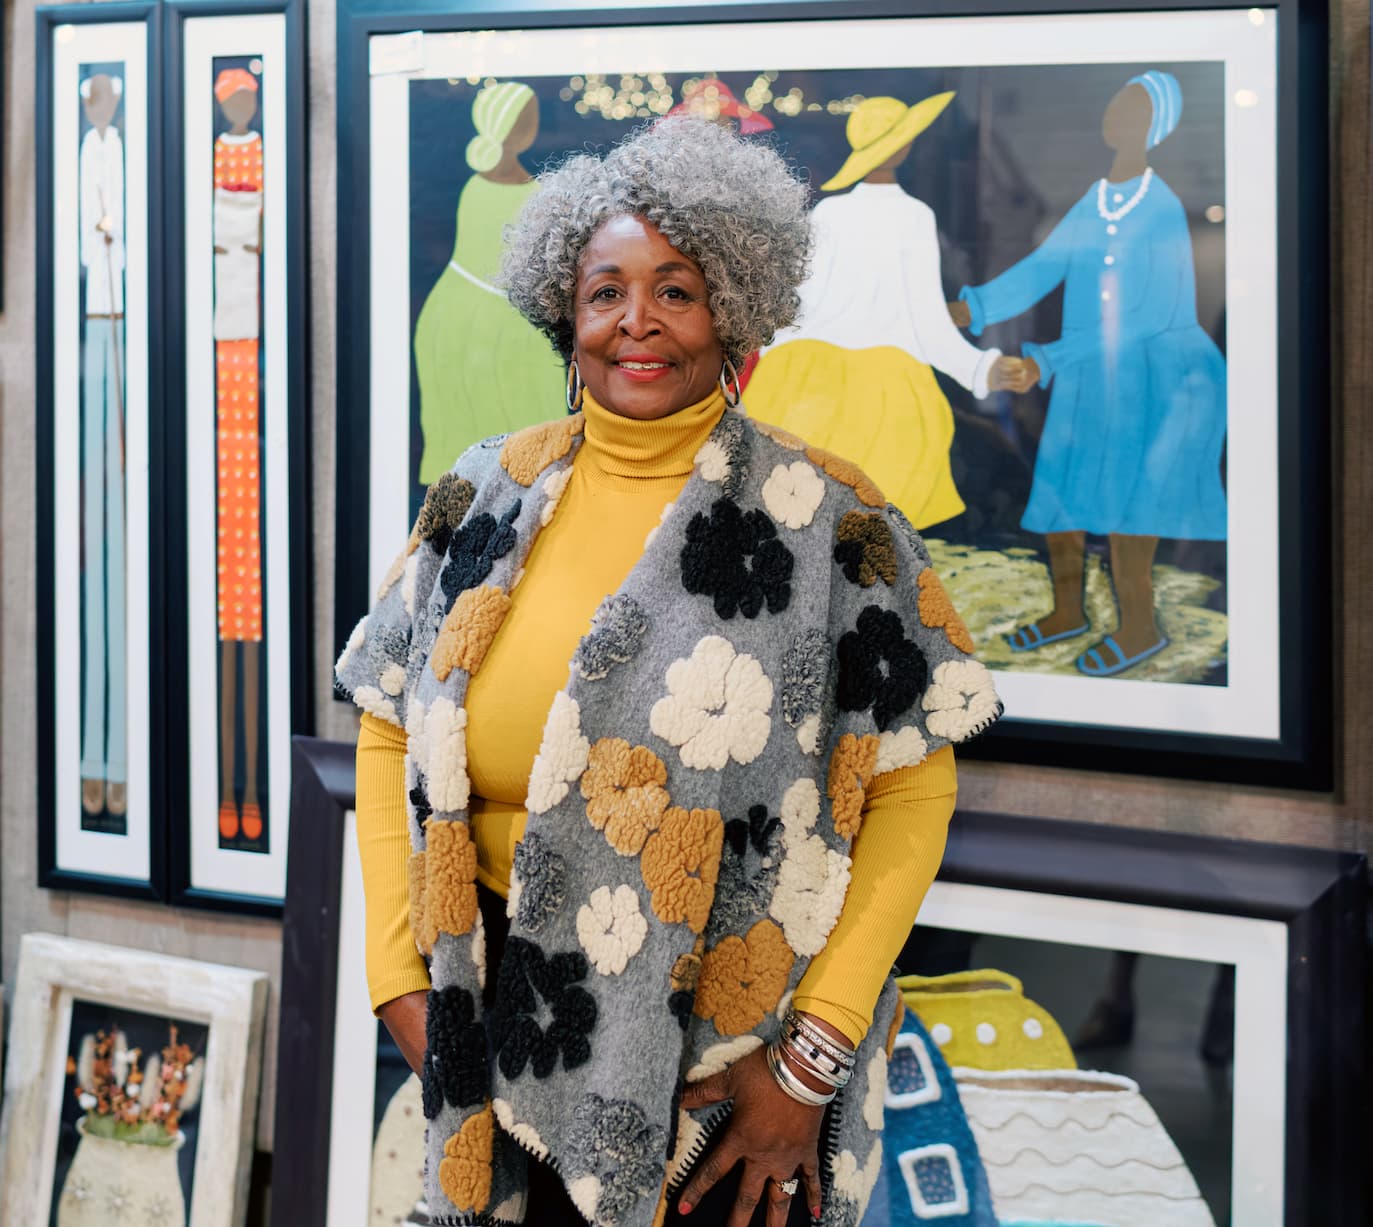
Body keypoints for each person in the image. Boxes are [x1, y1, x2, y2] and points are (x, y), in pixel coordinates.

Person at [338, 117, 1001, 1226]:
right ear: (567, 309)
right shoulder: (480, 496)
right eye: (605, 292)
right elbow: (387, 722)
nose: (635, 323)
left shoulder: (831, 520)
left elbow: (911, 789)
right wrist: (398, 980)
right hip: (491, 1017)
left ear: (731, 307)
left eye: (676, 290)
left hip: (728, 1068)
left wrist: (809, 1064)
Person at [950, 71, 1227, 677]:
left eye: (1132, 107)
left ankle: (1139, 626)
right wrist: (976, 307)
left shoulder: (1159, 208)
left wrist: (1047, 359)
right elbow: (1043, 265)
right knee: (1063, 493)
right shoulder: (1097, 198)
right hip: (1087, 382)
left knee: (1133, 506)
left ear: (1154, 125)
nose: (1115, 114)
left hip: (1144, 383)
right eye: (1116, 103)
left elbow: (1147, 316)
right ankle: (1068, 611)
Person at [745, 93, 1020, 530]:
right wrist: (980, 369)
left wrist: (767, 357)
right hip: (883, 389)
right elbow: (927, 318)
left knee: (802, 520)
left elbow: (799, 305)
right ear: (905, 146)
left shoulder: (830, 212)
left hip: (807, 382)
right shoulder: (913, 216)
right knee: (873, 530)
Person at [413, 81, 567, 484]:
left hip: (459, 316)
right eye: (527, 120)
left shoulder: (478, 188)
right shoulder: (528, 195)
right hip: (496, 329)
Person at [211, 67, 267, 843]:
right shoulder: (214, 161)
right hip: (222, 347)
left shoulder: (264, 155)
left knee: (249, 615)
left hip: (256, 354)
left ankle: (246, 783)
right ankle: (228, 782)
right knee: (229, 616)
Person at [79, 73, 127, 823]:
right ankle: (96, 754)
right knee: (93, 554)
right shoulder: (83, 155)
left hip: (126, 325)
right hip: (91, 324)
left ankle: (115, 755)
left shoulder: (125, 151)